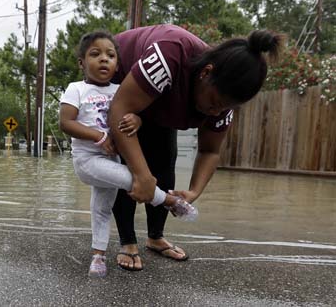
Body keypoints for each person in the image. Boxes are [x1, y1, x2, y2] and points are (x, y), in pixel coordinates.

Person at [106, 24, 283, 270]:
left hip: (160, 100)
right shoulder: (170, 56)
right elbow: (120, 109)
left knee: (165, 163)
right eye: (215, 103)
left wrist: (194, 191)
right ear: (206, 73)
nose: (216, 112)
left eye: (225, 108)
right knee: (129, 168)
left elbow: (210, 151)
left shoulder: (223, 103)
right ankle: (128, 241)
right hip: (119, 82)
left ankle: (155, 236)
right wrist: (141, 174)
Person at [59, 31, 197, 278]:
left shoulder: (120, 89)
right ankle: (169, 201)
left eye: (110, 55)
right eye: (95, 54)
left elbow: (134, 114)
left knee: (101, 208)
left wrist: (137, 120)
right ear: (81, 62)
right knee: (132, 178)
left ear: (117, 65)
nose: (104, 59)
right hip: (88, 160)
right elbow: (66, 123)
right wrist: (99, 137)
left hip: (111, 158)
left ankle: (98, 256)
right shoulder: (76, 89)